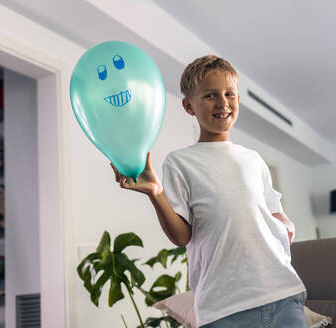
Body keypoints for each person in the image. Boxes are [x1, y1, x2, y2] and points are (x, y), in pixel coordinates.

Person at [112, 55, 307, 327]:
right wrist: (156, 193)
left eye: (230, 94)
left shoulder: (253, 159)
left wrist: (283, 225)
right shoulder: (180, 162)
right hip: (223, 308)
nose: (223, 102)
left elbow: (276, 213)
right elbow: (181, 236)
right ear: (188, 105)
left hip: (282, 293)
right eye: (210, 95)